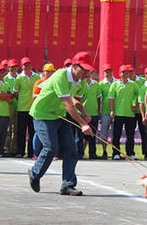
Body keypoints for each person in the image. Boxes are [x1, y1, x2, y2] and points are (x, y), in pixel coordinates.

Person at [28, 51, 94, 196]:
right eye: (84, 69)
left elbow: (76, 100)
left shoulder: (81, 80)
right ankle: (34, 173)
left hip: (59, 116)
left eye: (89, 70)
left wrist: (84, 113)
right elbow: (68, 104)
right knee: (51, 147)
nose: (87, 73)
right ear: (75, 66)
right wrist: (83, 124)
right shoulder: (60, 76)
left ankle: (68, 185)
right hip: (43, 114)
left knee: (71, 148)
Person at [108, 65, 140, 160]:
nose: (125, 74)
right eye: (123, 72)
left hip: (129, 114)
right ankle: (116, 153)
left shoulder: (133, 84)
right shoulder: (115, 84)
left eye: (127, 72)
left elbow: (139, 95)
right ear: (119, 74)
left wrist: (136, 105)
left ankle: (130, 153)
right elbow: (111, 98)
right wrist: (112, 110)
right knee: (116, 135)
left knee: (130, 135)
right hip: (118, 113)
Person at [14, 57, 40, 158]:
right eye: (25, 65)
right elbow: (16, 93)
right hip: (22, 108)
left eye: (29, 64)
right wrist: (22, 100)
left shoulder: (36, 77)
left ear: (31, 66)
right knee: (21, 131)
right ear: (22, 66)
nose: (27, 67)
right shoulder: (19, 78)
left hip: (33, 108)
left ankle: (31, 152)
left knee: (33, 131)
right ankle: (20, 151)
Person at [32, 63, 57, 159]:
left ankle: (49, 152)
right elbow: (34, 96)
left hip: (51, 111)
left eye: (52, 71)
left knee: (51, 132)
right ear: (44, 72)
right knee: (38, 132)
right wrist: (46, 96)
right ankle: (35, 152)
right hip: (40, 110)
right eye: (48, 71)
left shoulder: (55, 82)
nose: (50, 73)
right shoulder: (39, 82)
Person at [76, 69, 101, 159]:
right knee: (79, 135)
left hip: (93, 113)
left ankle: (92, 153)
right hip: (81, 113)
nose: (88, 74)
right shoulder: (79, 83)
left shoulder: (96, 84)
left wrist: (98, 112)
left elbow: (98, 99)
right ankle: (79, 152)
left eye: (90, 72)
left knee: (92, 135)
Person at [128, 64, 147, 159]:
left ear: (134, 71)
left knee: (144, 133)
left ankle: (146, 152)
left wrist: (137, 106)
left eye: (131, 71)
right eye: (128, 72)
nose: (130, 73)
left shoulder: (142, 81)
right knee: (130, 133)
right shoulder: (125, 82)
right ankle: (131, 152)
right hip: (130, 112)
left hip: (140, 111)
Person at [99, 64, 115, 159]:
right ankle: (104, 151)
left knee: (114, 133)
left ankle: (114, 152)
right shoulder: (100, 84)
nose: (108, 73)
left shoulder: (117, 82)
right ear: (103, 73)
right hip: (105, 111)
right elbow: (99, 98)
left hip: (115, 112)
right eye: (106, 72)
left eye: (110, 71)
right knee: (104, 132)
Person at [4, 59, 19, 157]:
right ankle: (6, 148)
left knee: (16, 129)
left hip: (19, 106)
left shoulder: (20, 77)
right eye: (11, 67)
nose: (14, 69)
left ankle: (14, 149)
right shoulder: (5, 78)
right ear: (8, 68)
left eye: (15, 67)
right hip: (8, 106)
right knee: (8, 128)